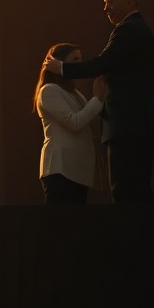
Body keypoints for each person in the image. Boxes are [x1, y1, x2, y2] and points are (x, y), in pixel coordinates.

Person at [43, 0, 154, 204]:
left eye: (110, 2)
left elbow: (102, 64)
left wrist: (62, 68)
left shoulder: (128, 29)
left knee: (126, 192)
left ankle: (134, 238)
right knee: (137, 190)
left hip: (129, 124)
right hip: (138, 123)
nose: (105, 8)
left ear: (129, 2)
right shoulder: (139, 28)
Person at [34, 43, 107, 204]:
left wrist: (101, 102)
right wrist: (96, 99)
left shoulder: (75, 93)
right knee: (61, 222)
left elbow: (92, 128)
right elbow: (75, 123)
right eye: (74, 59)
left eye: (80, 59)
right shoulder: (49, 90)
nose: (79, 63)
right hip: (61, 169)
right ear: (59, 63)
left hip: (79, 169)